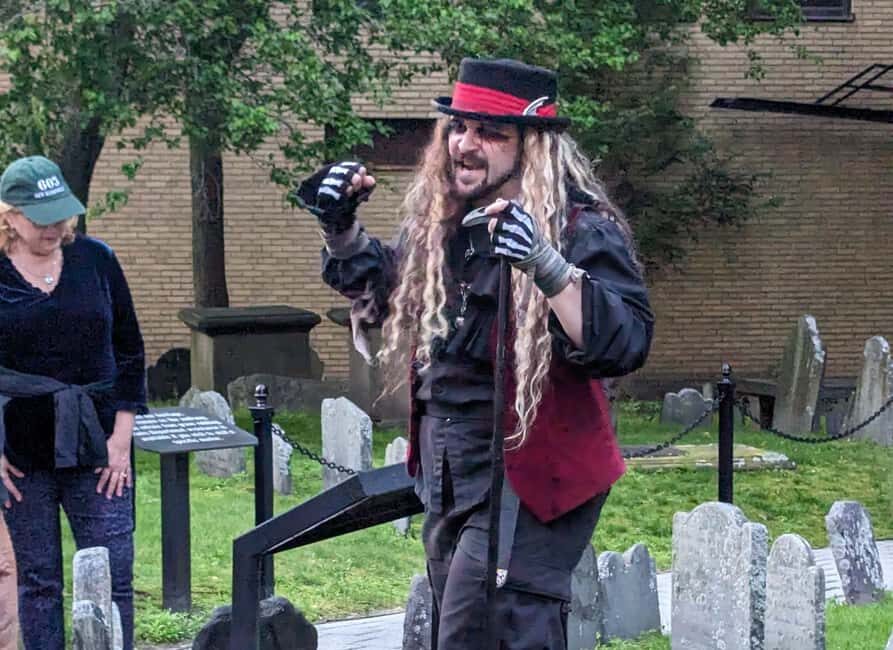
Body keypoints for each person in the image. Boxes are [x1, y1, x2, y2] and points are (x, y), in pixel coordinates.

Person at [297, 58, 654, 649]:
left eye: (490, 132)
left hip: (530, 469)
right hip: (447, 466)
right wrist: (340, 229)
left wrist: (545, 264)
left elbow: (627, 339)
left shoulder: (578, 228)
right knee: (464, 630)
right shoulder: (443, 224)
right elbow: (391, 296)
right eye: (459, 127)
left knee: (488, 631)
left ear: (531, 146)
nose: (465, 144)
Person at [0, 155, 146, 650]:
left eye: (60, 215)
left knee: (113, 575)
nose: (53, 227)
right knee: (39, 582)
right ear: (10, 216)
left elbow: (130, 350)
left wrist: (121, 440)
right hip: (20, 451)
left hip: (99, 444)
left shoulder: (96, 259)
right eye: (40, 218)